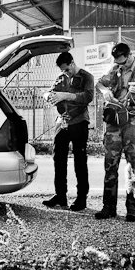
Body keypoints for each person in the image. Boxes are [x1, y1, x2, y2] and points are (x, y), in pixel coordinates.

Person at [95, 43, 135, 222]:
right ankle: (108, 207)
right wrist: (105, 91)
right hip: (114, 122)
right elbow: (99, 83)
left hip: (134, 122)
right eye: (117, 62)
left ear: (129, 56)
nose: (120, 65)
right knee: (110, 165)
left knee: (133, 167)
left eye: (123, 62)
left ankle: (132, 210)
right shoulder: (115, 68)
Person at [42, 52, 94, 211]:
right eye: (62, 70)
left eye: (66, 69)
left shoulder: (86, 77)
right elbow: (49, 92)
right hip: (62, 122)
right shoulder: (60, 77)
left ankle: (81, 199)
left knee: (80, 161)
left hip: (79, 122)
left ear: (72, 63)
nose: (65, 73)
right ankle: (60, 196)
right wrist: (48, 96)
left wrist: (66, 95)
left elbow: (88, 96)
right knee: (58, 159)